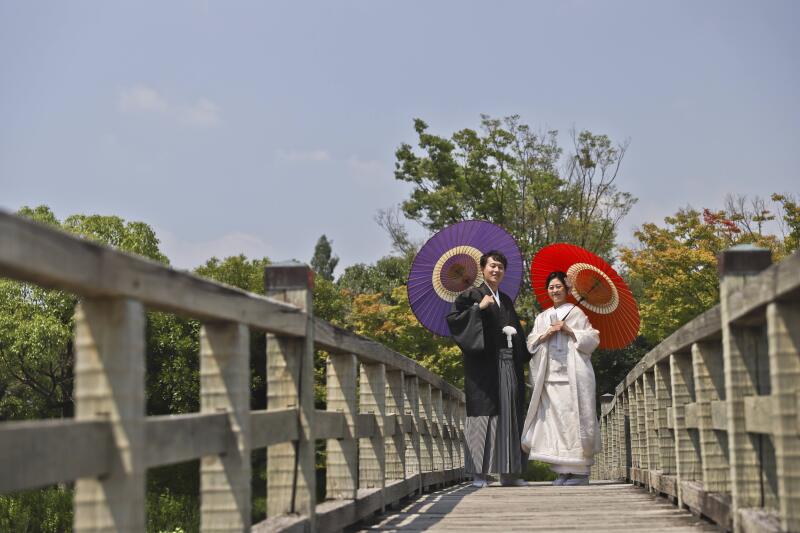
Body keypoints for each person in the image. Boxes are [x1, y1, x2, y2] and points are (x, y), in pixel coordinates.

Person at [446, 250, 531, 488]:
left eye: (501, 267)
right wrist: (478, 308)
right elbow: (455, 320)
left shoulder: (505, 299)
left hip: (508, 364)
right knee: (483, 413)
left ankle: (509, 473)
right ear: (483, 268)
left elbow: (519, 337)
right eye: (492, 266)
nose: (496, 270)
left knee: (510, 413)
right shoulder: (471, 295)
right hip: (483, 366)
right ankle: (479, 474)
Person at [520, 271, 601, 486]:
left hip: (572, 377)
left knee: (574, 422)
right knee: (554, 425)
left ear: (567, 289)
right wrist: (545, 334)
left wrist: (569, 330)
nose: (554, 290)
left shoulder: (577, 314)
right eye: (551, 287)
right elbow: (530, 343)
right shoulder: (542, 317)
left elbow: (592, 339)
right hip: (549, 378)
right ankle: (562, 472)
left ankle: (580, 473)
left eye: (558, 286)